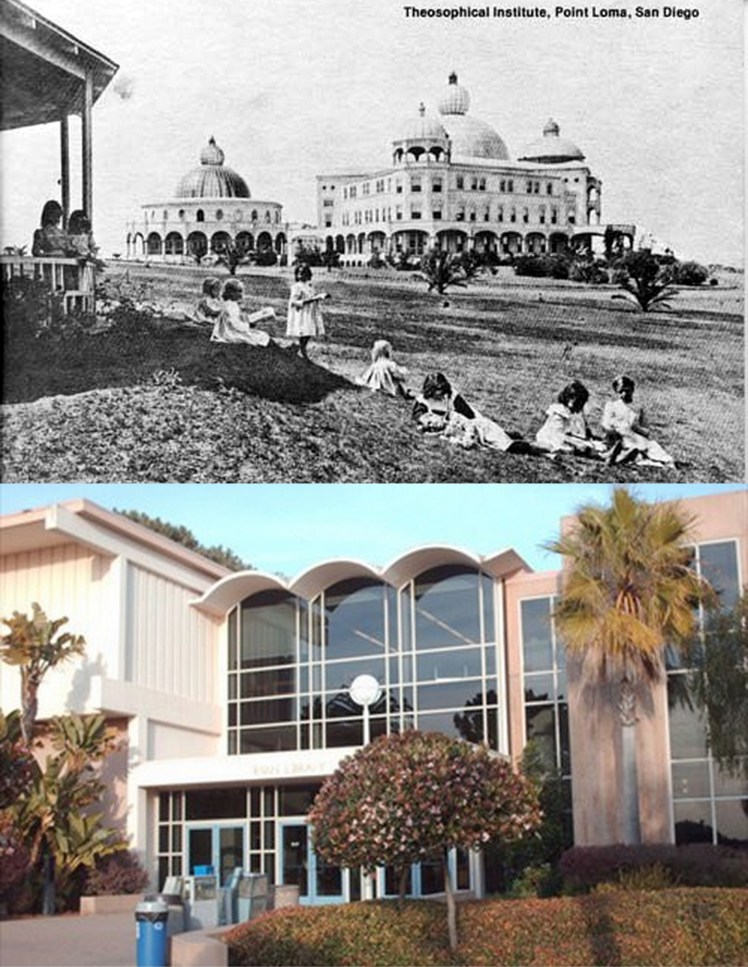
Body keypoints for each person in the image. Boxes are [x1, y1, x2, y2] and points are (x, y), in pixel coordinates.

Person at [412, 372, 526, 452]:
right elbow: (418, 415)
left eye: (441, 390)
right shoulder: (423, 400)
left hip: (465, 421)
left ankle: (509, 437)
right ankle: (509, 439)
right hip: (449, 426)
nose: (439, 393)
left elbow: (468, 414)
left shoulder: (451, 396)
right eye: (436, 390)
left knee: (488, 430)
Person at [601, 375, 675, 467]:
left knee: (654, 450)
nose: (624, 394)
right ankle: (623, 455)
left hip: (636, 438)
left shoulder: (638, 408)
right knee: (633, 452)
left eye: (627, 390)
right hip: (619, 439)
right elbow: (605, 425)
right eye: (620, 391)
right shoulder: (611, 406)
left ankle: (632, 455)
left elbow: (647, 431)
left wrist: (636, 428)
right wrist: (615, 431)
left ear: (632, 390)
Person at [535, 381, 605, 457]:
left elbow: (583, 431)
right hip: (552, 439)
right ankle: (601, 455)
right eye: (579, 402)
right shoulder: (560, 412)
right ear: (570, 400)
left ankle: (603, 453)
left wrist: (589, 436)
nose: (581, 406)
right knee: (575, 448)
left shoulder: (576, 414)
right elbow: (556, 434)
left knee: (596, 445)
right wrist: (575, 442)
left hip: (568, 439)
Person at [210, 278, 274, 346]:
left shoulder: (228, 303)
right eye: (239, 291)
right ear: (231, 292)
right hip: (230, 335)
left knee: (260, 335)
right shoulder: (231, 306)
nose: (241, 295)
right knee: (262, 336)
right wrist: (249, 323)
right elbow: (237, 326)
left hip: (226, 332)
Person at [286, 263, 329, 358]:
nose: (302, 276)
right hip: (302, 313)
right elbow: (294, 301)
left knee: (308, 331)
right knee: (304, 331)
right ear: (296, 275)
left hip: (309, 312)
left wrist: (319, 296)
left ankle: (302, 348)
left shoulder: (308, 287)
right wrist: (313, 299)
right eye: (300, 273)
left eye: (304, 273)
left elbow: (311, 296)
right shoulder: (296, 287)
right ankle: (301, 349)